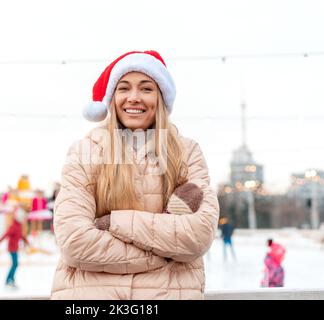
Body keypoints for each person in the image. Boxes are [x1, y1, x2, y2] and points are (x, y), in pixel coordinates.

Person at [50, 50, 219, 299]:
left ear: (161, 97)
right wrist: (165, 252)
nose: (134, 98)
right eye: (124, 88)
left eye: (146, 88)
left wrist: (112, 222)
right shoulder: (84, 152)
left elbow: (198, 235)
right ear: (112, 98)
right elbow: (75, 242)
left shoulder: (186, 152)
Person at [0, 207, 30, 288]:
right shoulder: (13, 226)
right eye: (23, 218)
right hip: (12, 248)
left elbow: (21, 235)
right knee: (15, 264)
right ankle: (9, 280)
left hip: (15, 248)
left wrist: (27, 242)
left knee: (15, 264)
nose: (24, 220)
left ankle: (10, 279)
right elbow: (4, 235)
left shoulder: (19, 226)